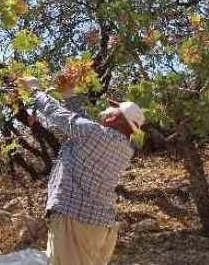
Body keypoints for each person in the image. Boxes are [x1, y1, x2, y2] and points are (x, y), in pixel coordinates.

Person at [16, 76, 145, 265]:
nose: (106, 108)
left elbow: (57, 113)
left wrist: (35, 89)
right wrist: (69, 95)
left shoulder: (94, 134)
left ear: (113, 117)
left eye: (112, 107)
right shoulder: (122, 147)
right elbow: (82, 124)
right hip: (100, 226)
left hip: (76, 221)